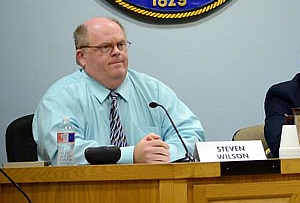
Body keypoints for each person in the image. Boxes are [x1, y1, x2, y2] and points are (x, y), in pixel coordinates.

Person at [33, 17, 205, 164]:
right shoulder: (60, 98)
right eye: (105, 47)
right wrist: (132, 156)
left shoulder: (153, 91)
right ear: (82, 57)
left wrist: (163, 153)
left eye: (121, 45)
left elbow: (191, 134)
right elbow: (65, 155)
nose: (117, 52)